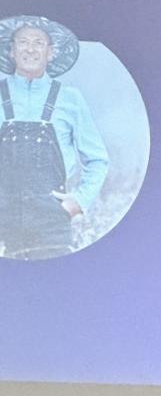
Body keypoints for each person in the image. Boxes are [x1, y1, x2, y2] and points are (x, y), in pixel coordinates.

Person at [0, 16, 109, 260]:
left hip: (50, 220)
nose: (30, 49)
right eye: (23, 42)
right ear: (11, 51)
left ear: (50, 53)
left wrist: (78, 202)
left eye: (38, 42)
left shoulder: (71, 98)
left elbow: (98, 160)